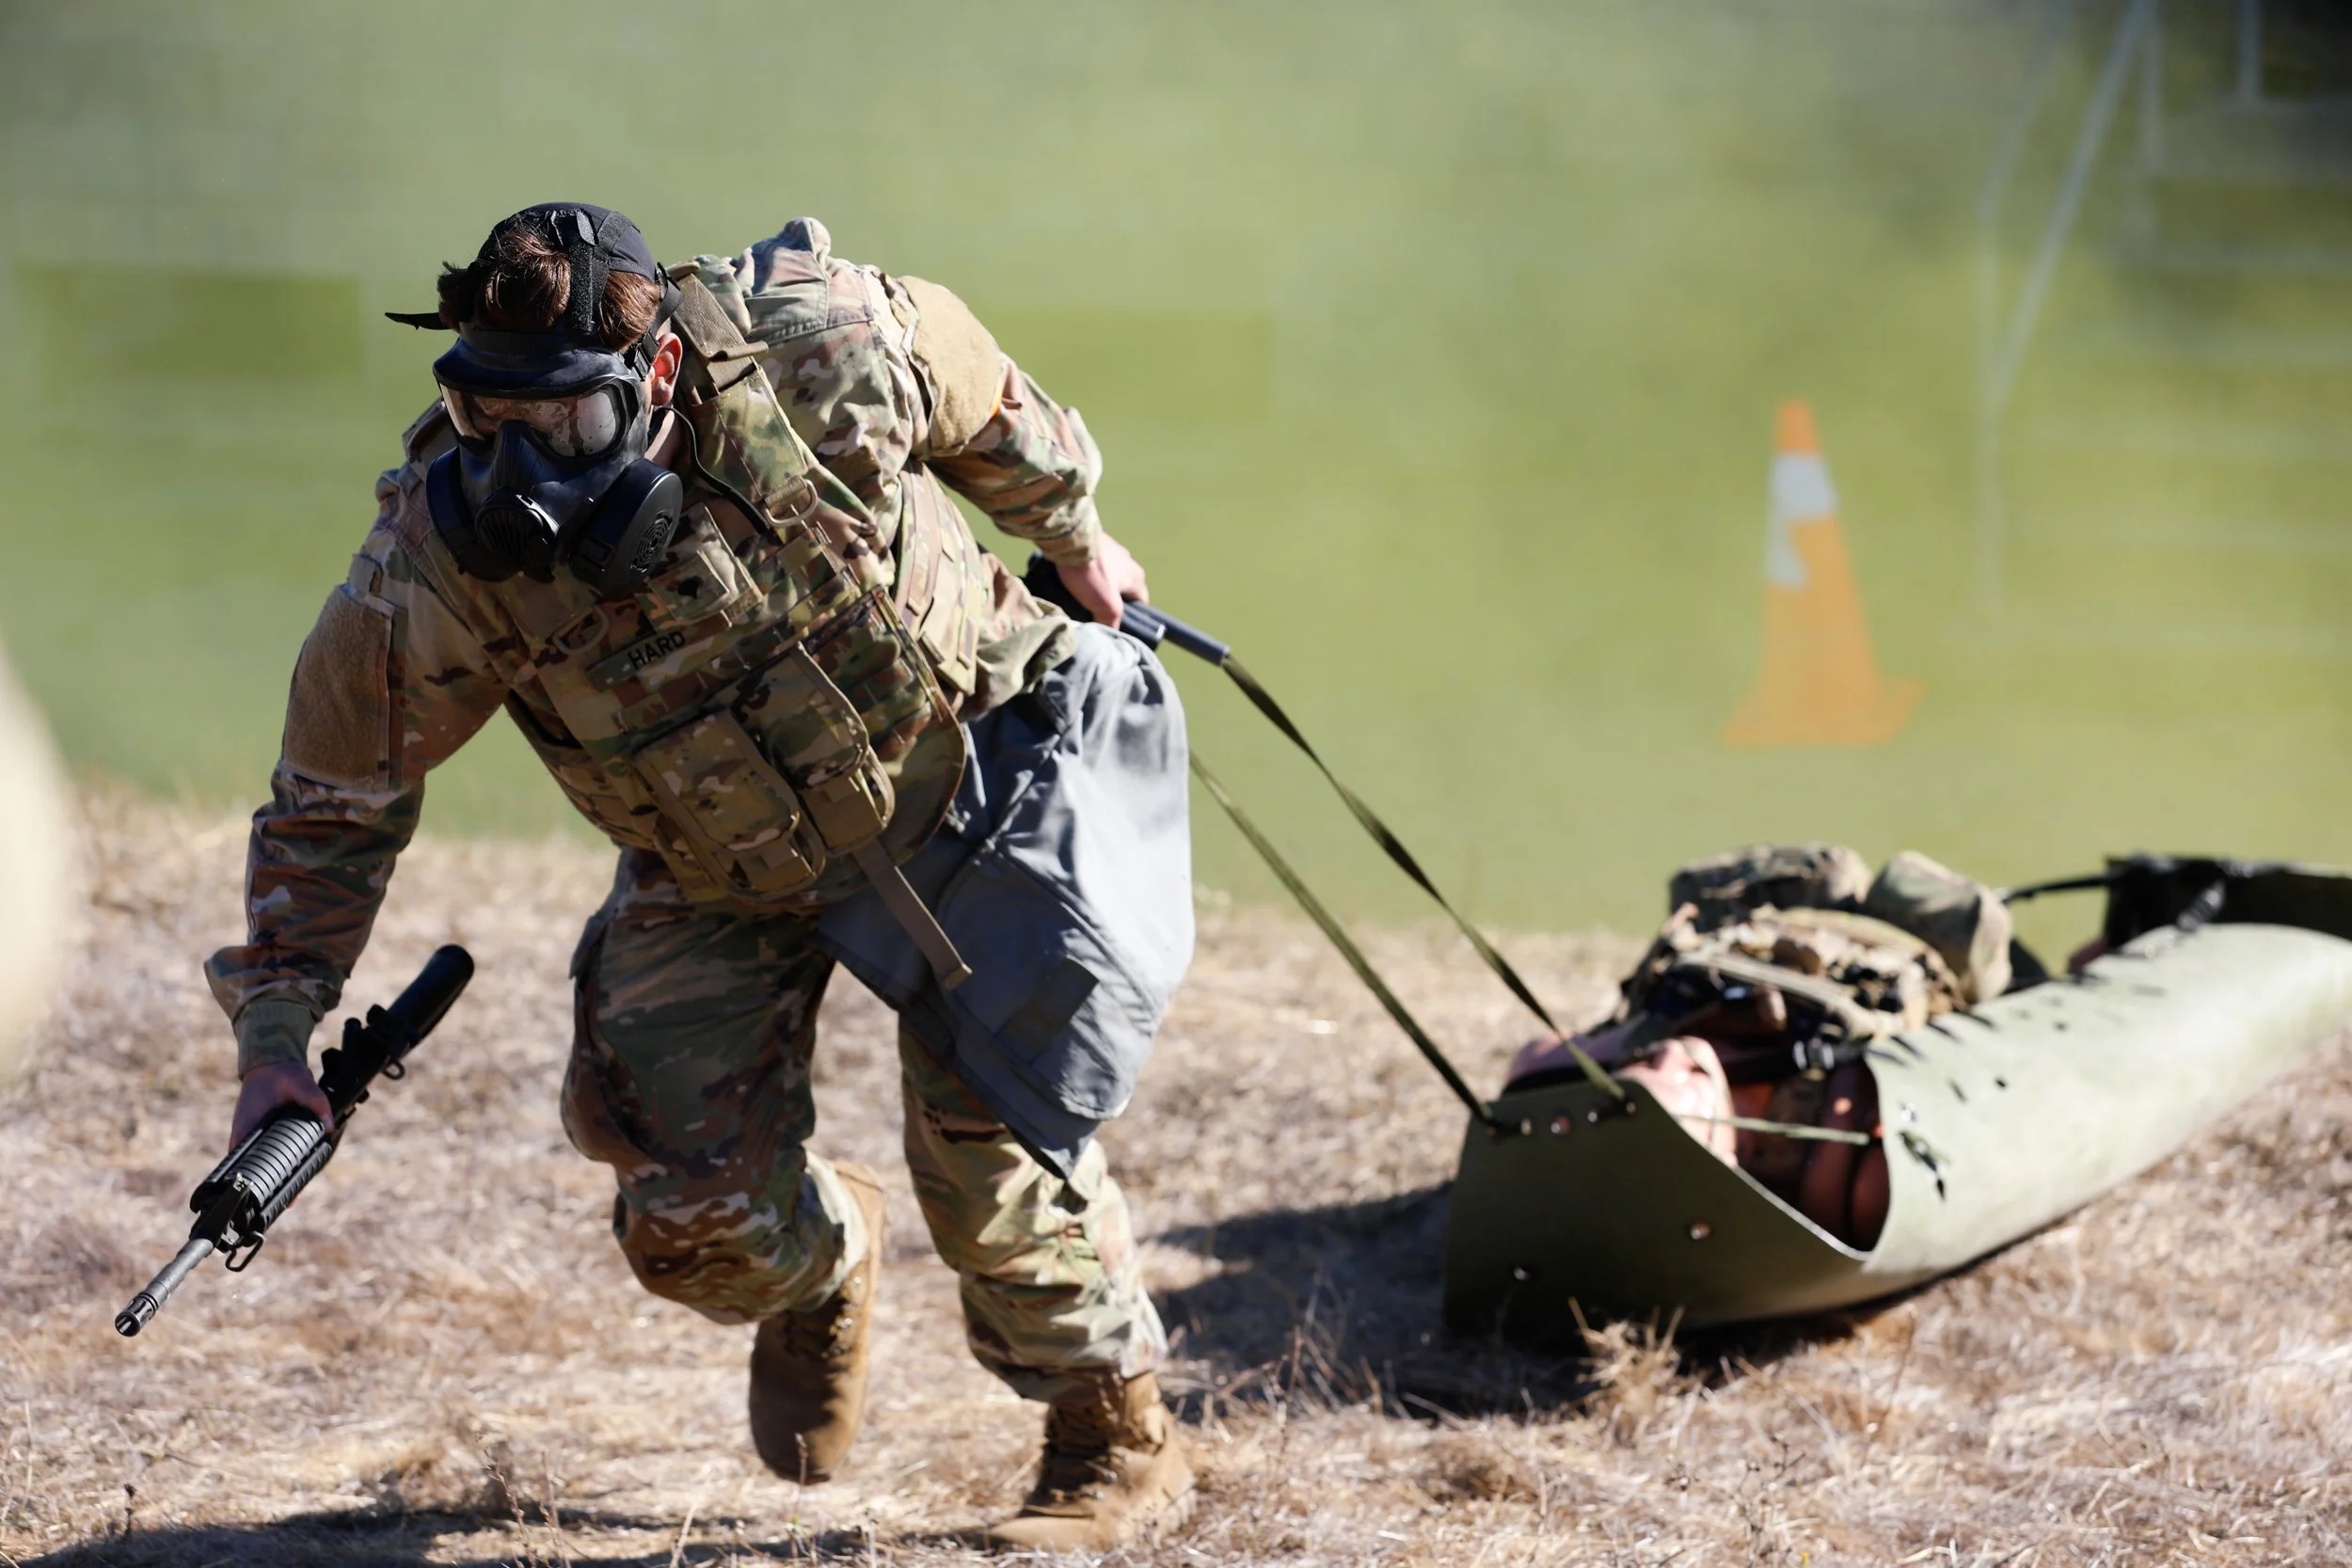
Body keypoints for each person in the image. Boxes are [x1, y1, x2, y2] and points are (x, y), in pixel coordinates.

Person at [205, 203, 1196, 1551]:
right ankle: (830, 1258)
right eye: (485, 416)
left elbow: (984, 399)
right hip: (715, 857)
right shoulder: (441, 567)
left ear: (655, 379)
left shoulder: (822, 351)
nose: (515, 469)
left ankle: (1113, 1432)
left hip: (956, 770)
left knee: (991, 1156)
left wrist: (1076, 540)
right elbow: (333, 801)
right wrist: (277, 1038)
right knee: (689, 1219)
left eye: (557, 422)